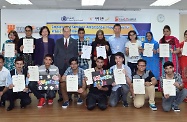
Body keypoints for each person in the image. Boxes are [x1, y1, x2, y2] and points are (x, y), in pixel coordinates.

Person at [54, 26, 78, 102]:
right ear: (62, 32)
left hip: (70, 65)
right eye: (65, 31)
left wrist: (74, 64)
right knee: (60, 80)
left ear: (70, 32)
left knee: (69, 80)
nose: (66, 33)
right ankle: (61, 95)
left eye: (68, 31)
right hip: (60, 63)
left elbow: (75, 54)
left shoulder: (74, 41)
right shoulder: (58, 41)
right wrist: (56, 63)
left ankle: (69, 95)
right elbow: (55, 53)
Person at [179, 30, 187, 102]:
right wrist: (180, 52)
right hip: (183, 62)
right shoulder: (181, 44)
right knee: (184, 78)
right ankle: (184, 96)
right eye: (186, 34)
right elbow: (178, 55)